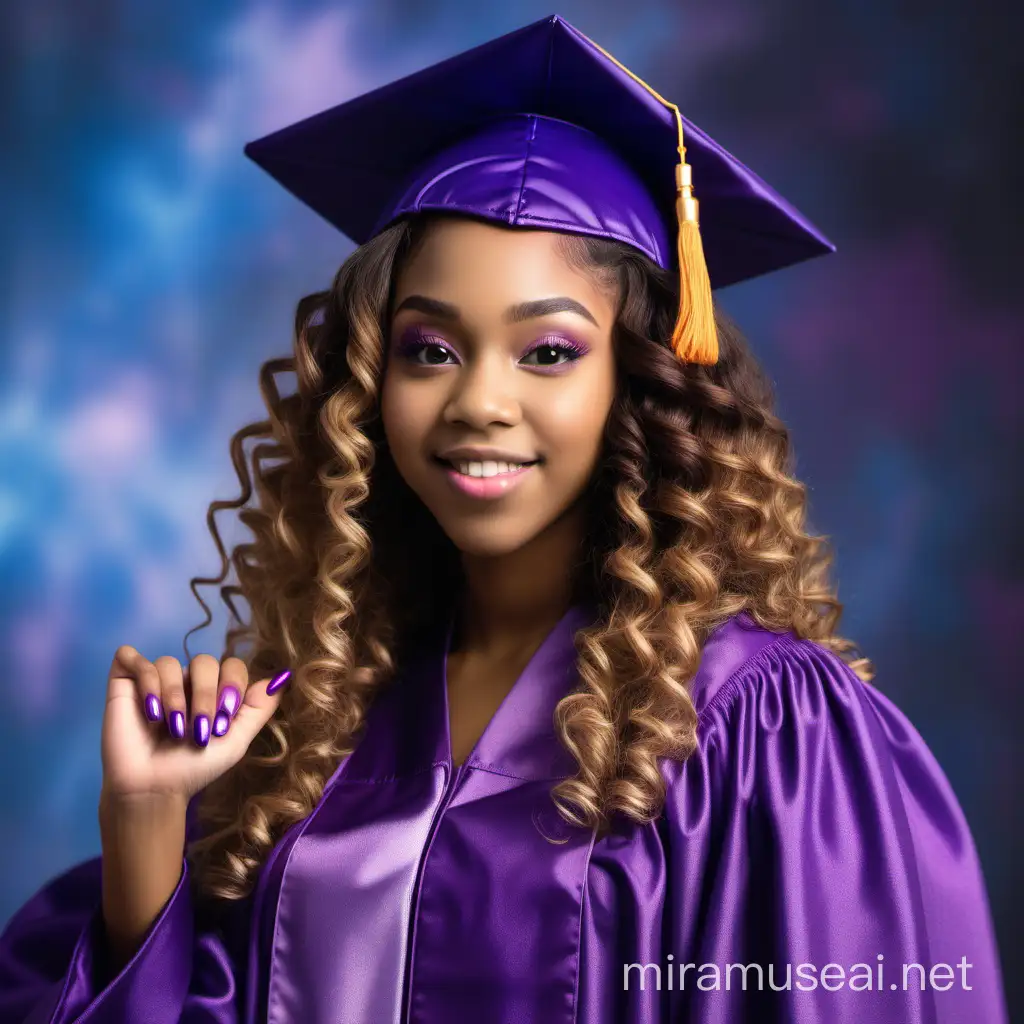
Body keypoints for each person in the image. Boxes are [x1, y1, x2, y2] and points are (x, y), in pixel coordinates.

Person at [0, 13, 1008, 1024]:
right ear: (366, 379)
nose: (478, 401)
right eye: (429, 349)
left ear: (640, 384)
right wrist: (146, 820)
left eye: (549, 352)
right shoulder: (322, 726)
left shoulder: (762, 723)